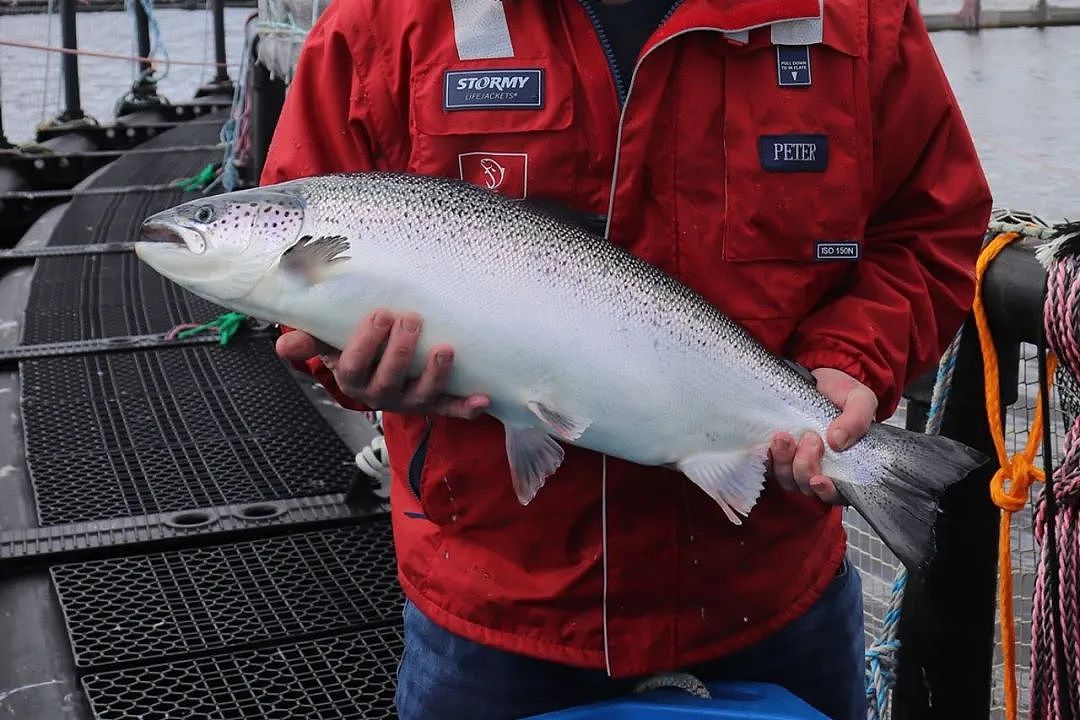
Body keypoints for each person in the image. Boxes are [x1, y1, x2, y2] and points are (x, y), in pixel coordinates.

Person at [260, 1, 992, 718]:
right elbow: (299, 280)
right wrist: (342, 362)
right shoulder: (383, 23)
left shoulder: (858, 16)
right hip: (495, 611)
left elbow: (930, 224)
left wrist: (851, 358)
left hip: (773, 597)